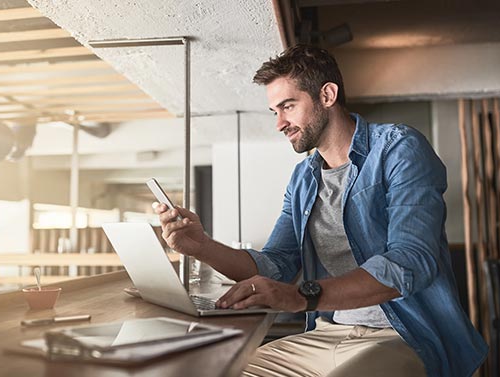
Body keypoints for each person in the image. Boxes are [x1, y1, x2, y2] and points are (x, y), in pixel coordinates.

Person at [156, 44, 487, 377]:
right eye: (275, 111)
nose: (279, 123)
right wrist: (202, 246)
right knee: (217, 371)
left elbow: (411, 261)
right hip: (326, 333)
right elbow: (277, 265)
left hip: (402, 335)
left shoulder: (399, 148)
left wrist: (303, 296)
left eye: (288, 106)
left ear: (327, 95)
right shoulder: (303, 178)